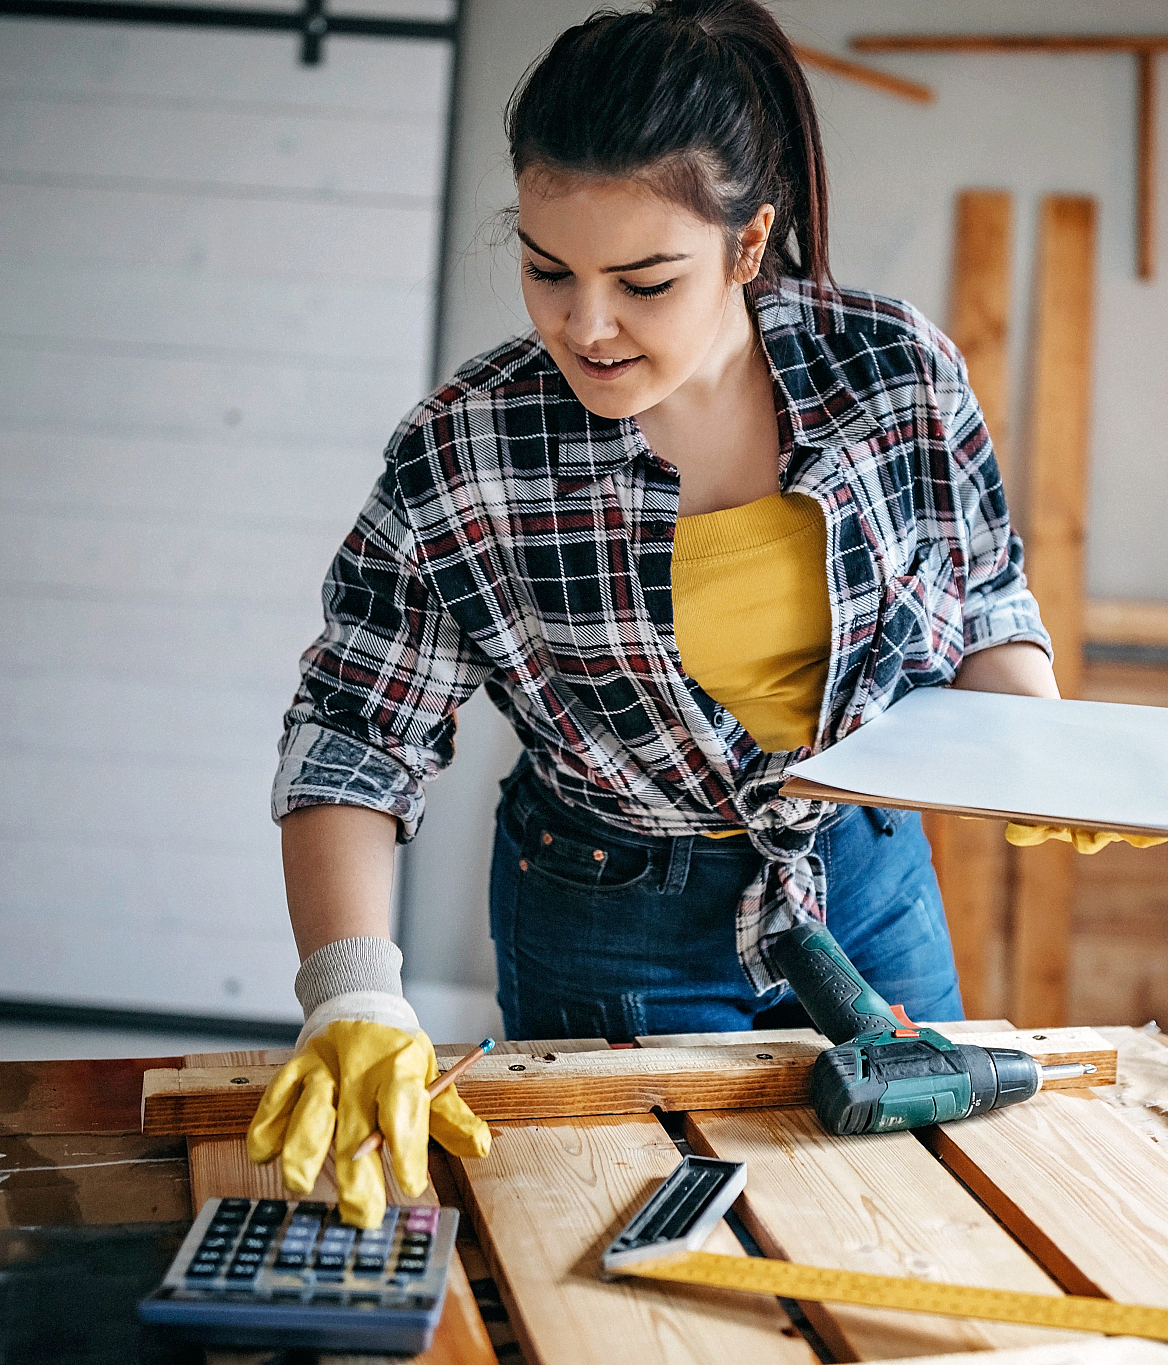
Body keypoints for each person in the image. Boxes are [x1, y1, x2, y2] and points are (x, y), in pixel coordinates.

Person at [247, 0, 1104, 1226]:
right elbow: (354, 733)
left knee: (915, 1224)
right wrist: (352, 993)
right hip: (608, 917)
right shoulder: (468, 448)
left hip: (864, 885)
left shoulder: (893, 370)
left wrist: (1040, 750)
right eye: (547, 270)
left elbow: (980, 598)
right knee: (634, 1253)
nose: (584, 326)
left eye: (643, 282)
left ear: (748, 244)